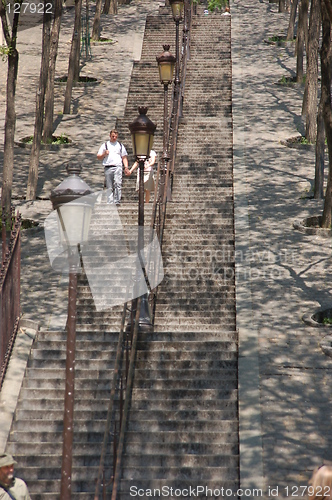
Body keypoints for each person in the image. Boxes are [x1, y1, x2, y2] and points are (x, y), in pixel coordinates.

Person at [97, 129, 129, 205]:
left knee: (118, 183)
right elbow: (98, 157)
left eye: (116, 137)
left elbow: (124, 157)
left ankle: (117, 200)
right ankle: (110, 201)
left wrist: (126, 167)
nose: (114, 138)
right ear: (110, 136)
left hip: (118, 166)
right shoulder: (105, 145)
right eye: (113, 136)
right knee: (109, 186)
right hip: (108, 166)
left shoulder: (120, 145)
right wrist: (104, 153)